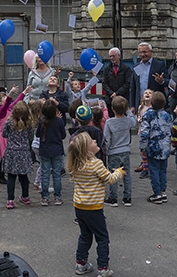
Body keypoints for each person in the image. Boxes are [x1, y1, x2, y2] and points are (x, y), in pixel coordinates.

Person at [68, 131, 125, 277]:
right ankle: (103, 268)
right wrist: (119, 172)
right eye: (92, 141)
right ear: (87, 149)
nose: (95, 140)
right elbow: (110, 179)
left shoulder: (76, 164)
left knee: (85, 235)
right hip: (93, 207)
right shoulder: (96, 164)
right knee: (102, 237)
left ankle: (81, 264)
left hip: (79, 206)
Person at [140, 91, 173, 204]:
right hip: (165, 148)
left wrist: (142, 148)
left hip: (153, 148)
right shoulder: (168, 116)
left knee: (153, 171)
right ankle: (163, 191)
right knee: (162, 170)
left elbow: (144, 133)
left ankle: (157, 193)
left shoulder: (148, 116)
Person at [103, 96, 136, 207]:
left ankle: (113, 198)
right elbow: (134, 122)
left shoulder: (109, 122)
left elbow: (107, 139)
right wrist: (129, 112)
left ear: (112, 109)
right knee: (127, 174)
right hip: (125, 151)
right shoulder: (128, 121)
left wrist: (106, 152)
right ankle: (127, 197)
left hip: (113, 152)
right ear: (126, 108)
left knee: (113, 175)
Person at [2, 100, 34, 208]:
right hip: (24, 152)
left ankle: (10, 200)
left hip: (11, 151)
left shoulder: (9, 122)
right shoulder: (28, 123)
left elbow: (4, 134)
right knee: (24, 176)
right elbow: (30, 137)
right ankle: (26, 196)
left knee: (11, 176)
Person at [37, 99, 67, 206]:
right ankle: (57, 197)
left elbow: (37, 134)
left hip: (45, 150)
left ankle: (45, 197)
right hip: (57, 151)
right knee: (57, 175)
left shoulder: (41, 121)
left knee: (45, 174)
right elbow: (63, 135)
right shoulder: (59, 121)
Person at [129, 42, 168, 108]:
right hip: (141, 104)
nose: (143, 54)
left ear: (151, 52)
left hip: (155, 103)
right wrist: (132, 105)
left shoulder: (159, 65)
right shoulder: (136, 66)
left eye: (145, 52)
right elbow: (133, 87)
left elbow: (168, 81)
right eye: (140, 52)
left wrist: (162, 81)